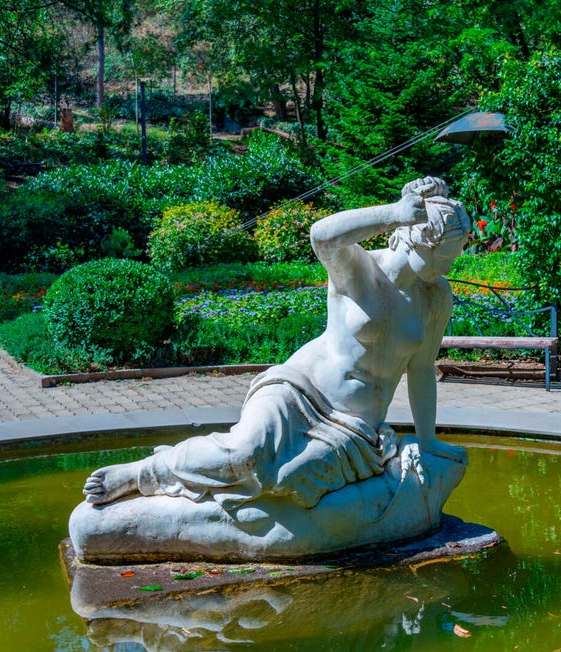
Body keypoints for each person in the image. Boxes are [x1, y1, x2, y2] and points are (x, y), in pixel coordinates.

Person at [71, 178, 471, 561]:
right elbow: (322, 235)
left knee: (288, 480)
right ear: (419, 237)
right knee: (245, 451)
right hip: (299, 391)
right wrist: (395, 212)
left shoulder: (435, 297)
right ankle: (146, 472)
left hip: (354, 426)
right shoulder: (362, 270)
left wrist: (428, 440)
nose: (453, 261)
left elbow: (421, 370)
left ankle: (205, 478)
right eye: (449, 251)